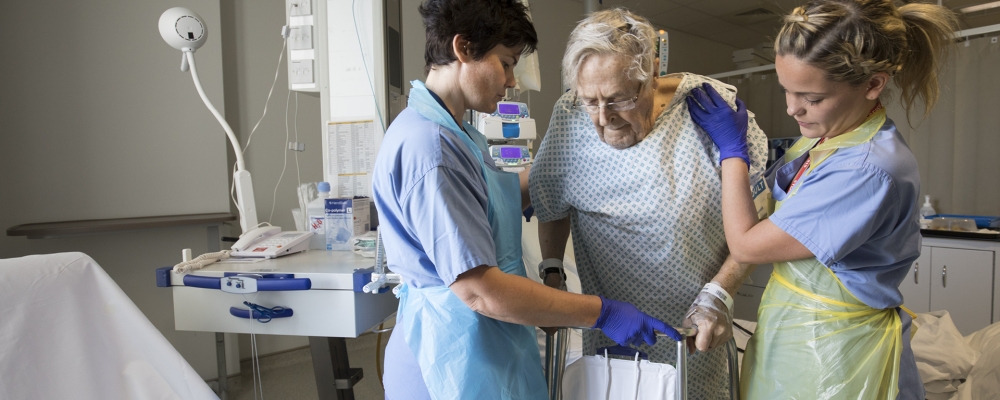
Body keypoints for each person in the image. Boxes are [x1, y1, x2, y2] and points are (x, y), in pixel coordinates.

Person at [371, 1, 680, 399]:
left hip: (486, 348)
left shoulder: (458, 132)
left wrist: (558, 165)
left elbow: (482, 213)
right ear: (463, 48)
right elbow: (480, 289)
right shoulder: (432, 150)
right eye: (506, 62)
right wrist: (600, 311)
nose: (513, 81)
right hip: (449, 360)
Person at [686, 0, 957, 398]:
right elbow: (775, 209)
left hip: (838, 357)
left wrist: (733, 152)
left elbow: (746, 242)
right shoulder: (828, 137)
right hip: (797, 332)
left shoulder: (865, 169)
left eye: (811, 98)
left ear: (872, 84)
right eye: (786, 90)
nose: (792, 108)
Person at [529, 8, 768, 399]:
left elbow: (757, 223)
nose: (603, 119)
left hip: (697, 335)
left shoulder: (709, 108)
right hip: (610, 335)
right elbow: (552, 202)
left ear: (652, 72)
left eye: (620, 99)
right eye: (591, 100)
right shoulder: (568, 116)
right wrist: (553, 272)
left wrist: (719, 295)